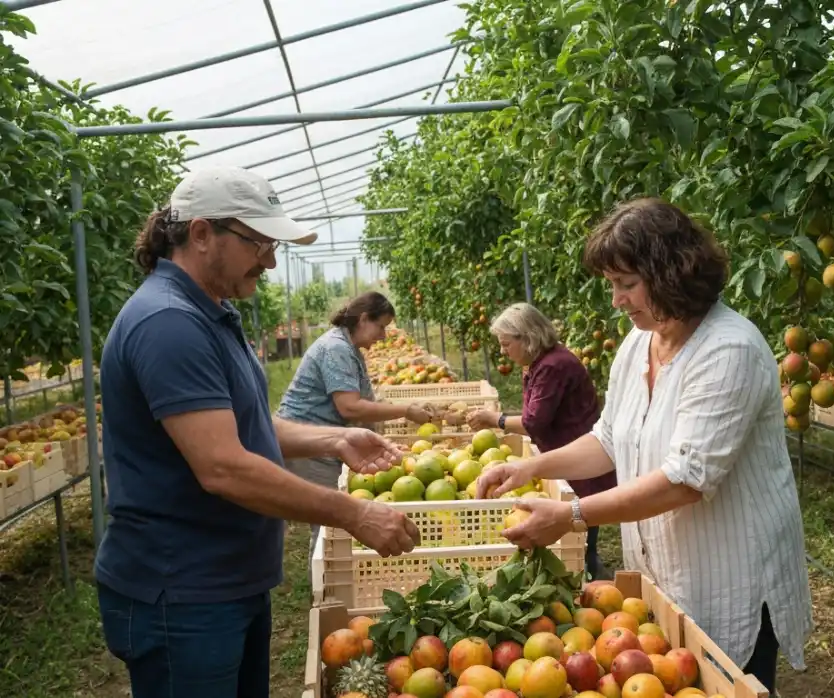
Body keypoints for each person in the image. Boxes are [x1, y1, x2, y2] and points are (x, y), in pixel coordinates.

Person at [95, 166, 420, 698]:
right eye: (259, 243)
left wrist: (332, 439)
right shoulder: (168, 323)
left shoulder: (211, 313)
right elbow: (222, 466)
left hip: (225, 581)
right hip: (183, 593)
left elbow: (245, 426)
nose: (270, 260)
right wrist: (354, 512)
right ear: (201, 235)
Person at [475, 197, 813, 693]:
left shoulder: (728, 350)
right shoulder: (639, 343)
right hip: (664, 571)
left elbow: (686, 479)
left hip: (730, 571)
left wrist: (571, 516)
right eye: (612, 284)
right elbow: (610, 438)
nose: (616, 299)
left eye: (627, 284)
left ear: (673, 273)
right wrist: (531, 468)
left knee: (727, 682)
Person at [277, 290, 439, 565]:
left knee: (330, 518)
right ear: (364, 319)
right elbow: (350, 407)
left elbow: (364, 405)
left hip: (325, 439)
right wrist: (405, 410)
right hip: (306, 440)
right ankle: (327, 591)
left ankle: (327, 580)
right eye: (381, 327)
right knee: (330, 521)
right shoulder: (336, 348)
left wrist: (384, 443)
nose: (384, 336)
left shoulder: (349, 348)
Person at [466, 302, 616, 580]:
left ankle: (592, 578)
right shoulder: (542, 364)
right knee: (580, 527)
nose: (503, 351)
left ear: (528, 338)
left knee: (582, 535)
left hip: (579, 455)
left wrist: (495, 420)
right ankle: (588, 570)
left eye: (506, 344)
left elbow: (533, 421)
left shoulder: (552, 367)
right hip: (569, 454)